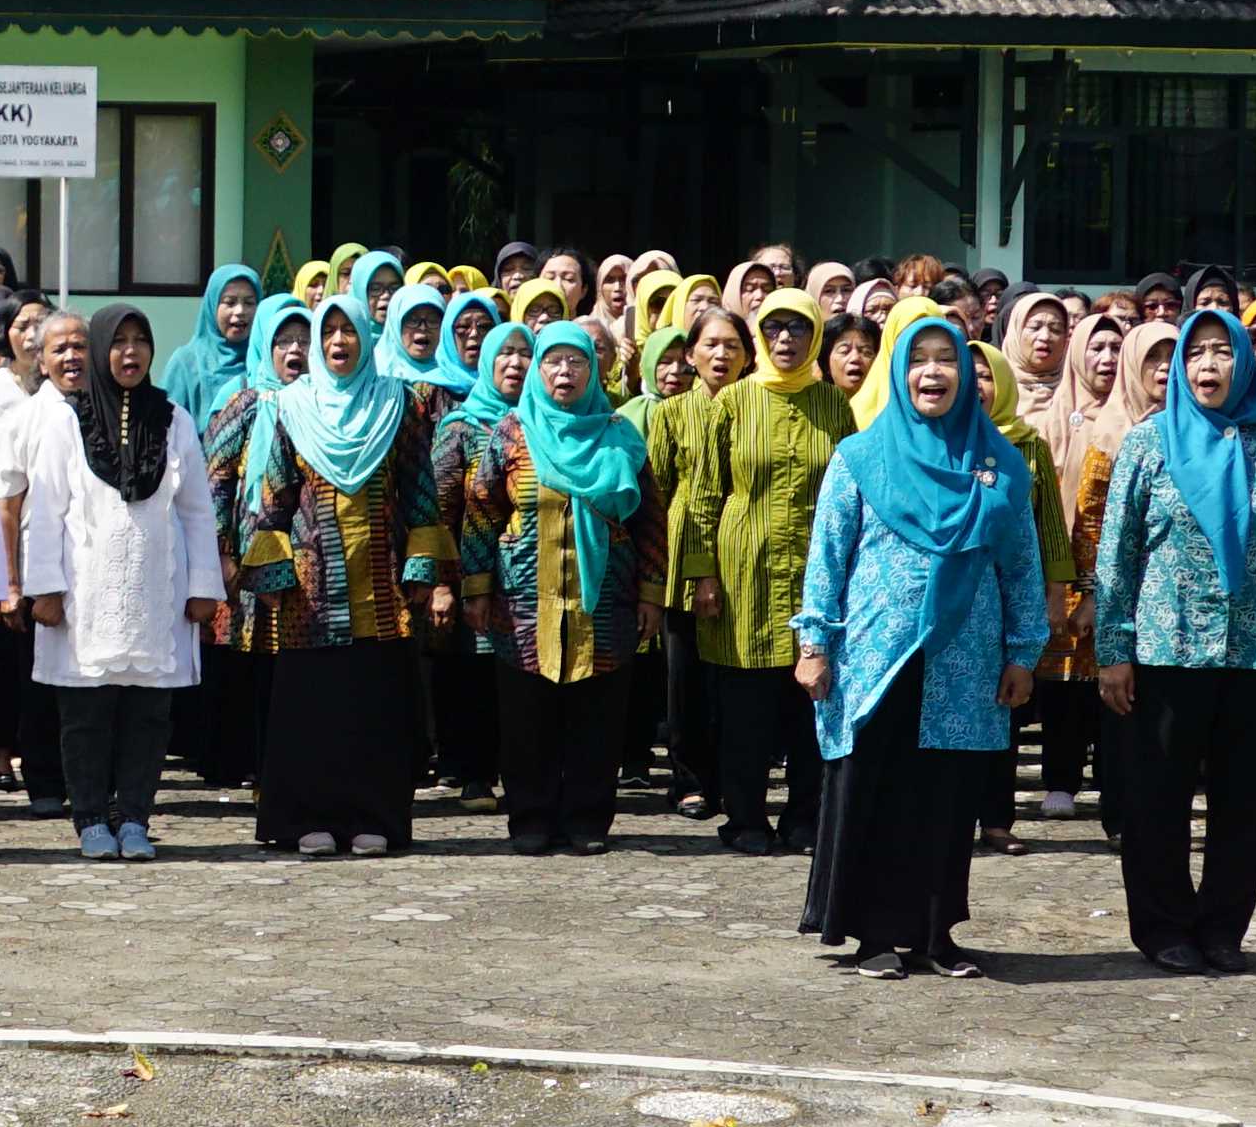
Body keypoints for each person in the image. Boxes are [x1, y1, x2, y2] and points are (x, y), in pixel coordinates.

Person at [794, 311, 1044, 977]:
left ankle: (935, 935)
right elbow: (828, 556)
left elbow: (1022, 565)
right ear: (899, 374)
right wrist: (814, 642)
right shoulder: (859, 458)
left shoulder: (1000, 464)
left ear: (967, 375)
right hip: (878, 655)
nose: (932, 372)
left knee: (946, 797)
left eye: (947, 360)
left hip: (965, 659)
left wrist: (1024, 651)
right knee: (876, 789)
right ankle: (874, 934)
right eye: (918, 360)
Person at [1095, 309, 1256, 974]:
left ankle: (1224, 928)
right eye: (1194, 353)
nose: (1206, 365)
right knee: (1157, 802)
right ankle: (1164, 927)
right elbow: (1119, 554)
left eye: (1220, 352)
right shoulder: (1150, 444)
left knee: (1241, 804)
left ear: (1244, 365)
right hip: (1168, 650)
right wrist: (1113, 648)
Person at [12, 303, 231, 859]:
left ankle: (134, 817)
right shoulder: (67, 420)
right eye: (118, 341)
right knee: (86, 711)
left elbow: (198, 510)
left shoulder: (174, 418)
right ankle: (89, 818)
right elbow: (45, 508)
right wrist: (44, 588)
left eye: (140, 341)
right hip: (84, 592)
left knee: (148, 711)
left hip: (156, 588)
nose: (129, 352)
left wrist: (203, 584)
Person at [237, 295, 445, 857]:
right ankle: (308, 820)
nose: (337, 342)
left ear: (364, 336)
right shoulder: (289, 407)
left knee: (374, 707)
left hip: (380, 585)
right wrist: (275, 576)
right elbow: (273, 499)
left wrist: (423, 571)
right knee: (312, 711)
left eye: (346, 331)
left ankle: (374, 817)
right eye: (326, 331)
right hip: (311, 592)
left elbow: (422, 492)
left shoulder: (399, 404)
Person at [460, 317, 649, 855]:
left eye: (577, 361)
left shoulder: (619, 433)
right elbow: (479, 512)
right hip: (523, 603)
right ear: (538, 369)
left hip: (605, 603)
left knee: (598, 716)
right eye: (554, 361)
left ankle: (588, 819)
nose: (564, 372)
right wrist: (475, 588)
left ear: (594, 370)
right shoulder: (510, 433)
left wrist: (652, 594)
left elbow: (650, 518)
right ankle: (531, 818)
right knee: (527, 717)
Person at [670, 291, 848, 851]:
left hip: (815, 572)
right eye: (775, 328)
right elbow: (703, 493)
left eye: (799, 328)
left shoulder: (833, 404)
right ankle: (745, 818)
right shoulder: (733, 402)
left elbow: (851, 494)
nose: (787, 339)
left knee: (810, 705)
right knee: (745, 706)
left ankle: (805, 819)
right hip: (742, 571)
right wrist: (703, 575)